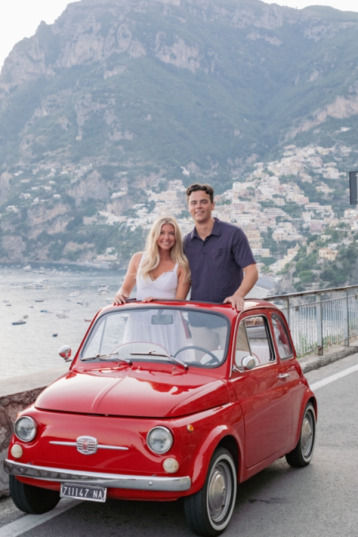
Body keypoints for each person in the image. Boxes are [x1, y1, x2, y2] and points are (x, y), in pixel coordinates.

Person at [184, 183, 258, 311]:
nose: (198, 207)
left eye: (203, 202)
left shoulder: (233, 234)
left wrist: (238, 296)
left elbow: (252, 271)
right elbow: (181, 279)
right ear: (189, 207)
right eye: (193, 203)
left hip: (229, 314)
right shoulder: (186, 242)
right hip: (197, 316)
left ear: (212, 205)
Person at [114, 215, 190, 304]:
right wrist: (119, 295)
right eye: (161, 232)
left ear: (176, 237)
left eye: (171, 233)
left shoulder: (182, 266)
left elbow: (180, 302)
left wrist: (157, 301)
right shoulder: (137, 259)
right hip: (139, 317)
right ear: (154, 234)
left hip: (168, 317)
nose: (166, 237)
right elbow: (125, 289)